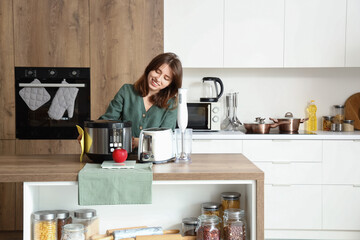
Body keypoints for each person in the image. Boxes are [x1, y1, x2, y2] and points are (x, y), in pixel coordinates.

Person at [98, 52, 183, 150]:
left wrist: (140, 141)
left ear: (170, 84)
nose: (158, 79)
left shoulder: (171, 104)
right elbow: (108, 120)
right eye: (157, 71)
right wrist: (88, 134)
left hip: (153, 160)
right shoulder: (126, 91)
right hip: (121, 157)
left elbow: (165, 138)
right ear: (150, 68)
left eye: (166, 78)